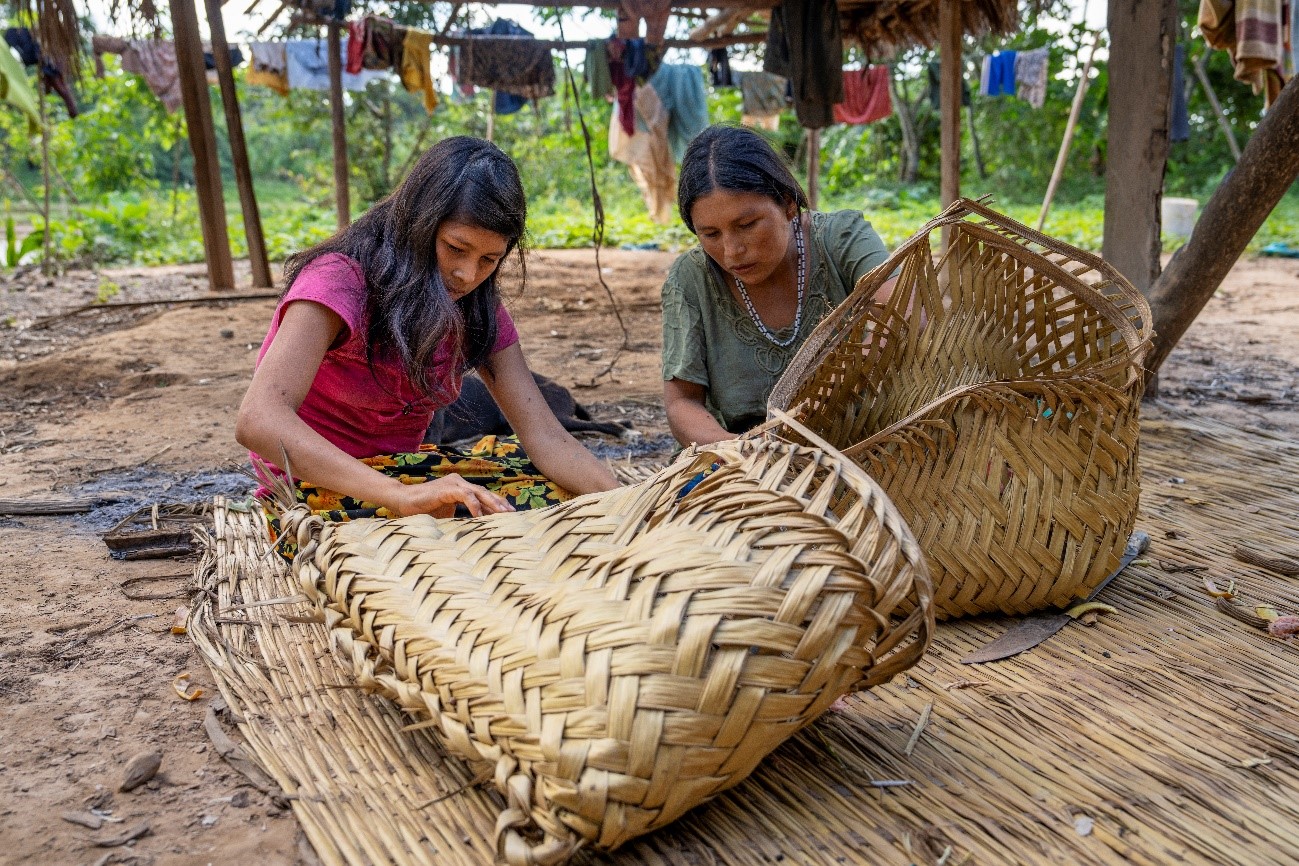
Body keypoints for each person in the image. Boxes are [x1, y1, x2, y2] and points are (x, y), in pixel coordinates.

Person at [236, 136, 619, 524]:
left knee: (570, 499)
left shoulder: (476, 307)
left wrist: (632, 504)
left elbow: (546, 438)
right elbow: (258, 420)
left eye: (489, 259)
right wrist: (399, 496)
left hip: (403, 480)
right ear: (420, 225)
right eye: (455, 248)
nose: (467, 275)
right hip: (307, 493)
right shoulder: (338, 281)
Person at [661, 124, 895, 446]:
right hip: (740, 462)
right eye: (710, 235)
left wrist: (821, 404)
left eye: (746, 225)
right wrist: (738, 454)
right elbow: (681, 403)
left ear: (787, 204)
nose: (732, 251)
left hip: (861, 447)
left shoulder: (842, 238)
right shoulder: (691, 279)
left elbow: (904, 315)